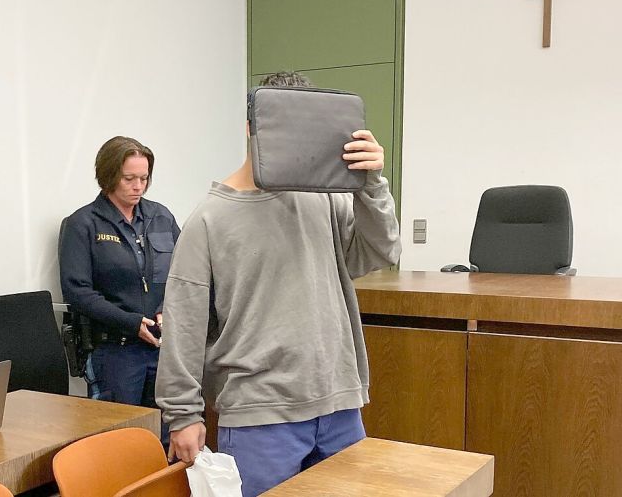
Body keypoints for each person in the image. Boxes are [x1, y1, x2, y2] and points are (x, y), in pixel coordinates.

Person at [155, 72, 401, 496]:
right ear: (253, 125)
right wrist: (183, 415)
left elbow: (381, 252)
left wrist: (370, 183)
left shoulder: (326, 198)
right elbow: (184, 326)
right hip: (259, 415)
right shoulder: (210, 218)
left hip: (338, 403)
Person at [59, 136, 180, 413]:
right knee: (118, 436)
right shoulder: (83, 224)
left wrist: (166, 309)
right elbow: (77, 292)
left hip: (161, 348)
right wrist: (130, 322)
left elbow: (183, 274)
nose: (138, 186)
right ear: (108, 176)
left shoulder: (160, 217)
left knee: (163, 433)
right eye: (129, 179)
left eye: (144, 178)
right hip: (114, 352)